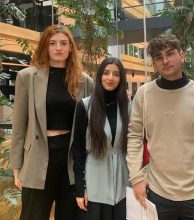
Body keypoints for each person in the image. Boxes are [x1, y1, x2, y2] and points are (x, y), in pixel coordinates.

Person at [127, 34, 194, 220]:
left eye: (170, 54)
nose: (165, 61)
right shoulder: (144, 95)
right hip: (158, 194)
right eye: (158, 57)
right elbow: (134, 137)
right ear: (154, 64)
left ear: (182, 55)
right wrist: (136, 178)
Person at [11, 24, 94, 220]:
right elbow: (19, 125)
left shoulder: (85, 81)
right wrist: (16, 167)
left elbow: (91, 129)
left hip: (72, 156)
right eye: (53, 43)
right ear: (45, 47)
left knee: (71, 215)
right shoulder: (27, 77)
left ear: (71, 47)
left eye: (64, 43)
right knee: (33, 214)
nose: (58, 48)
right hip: (38, 155)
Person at [72, 57, 130, 219]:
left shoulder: (127, 106)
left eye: (116, 74)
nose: (110, 78)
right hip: (94, 179)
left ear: (121, 78)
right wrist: (80, 188)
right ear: (99, 76)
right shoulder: (85, 106)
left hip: (122, 179)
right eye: (106, 73)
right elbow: (77, 150)